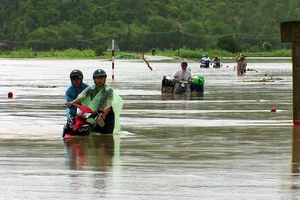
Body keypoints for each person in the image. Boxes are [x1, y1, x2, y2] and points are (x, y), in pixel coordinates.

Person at [66, 69, 124, 134]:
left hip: (107, 115)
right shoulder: (91, 88)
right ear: (94, 79)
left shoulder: (108, 90)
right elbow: (81, 97)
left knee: (107, 136)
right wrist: (72, 102)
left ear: (105, 79)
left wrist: (103, 115)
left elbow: (109, 105)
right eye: (97, 78)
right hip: (96, 113)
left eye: (101, 78)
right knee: (94, 134)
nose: (99, 80)